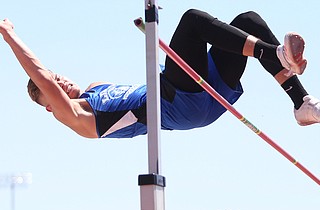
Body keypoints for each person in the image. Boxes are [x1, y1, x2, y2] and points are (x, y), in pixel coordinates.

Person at [1, 9, 319, 139]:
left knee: (247, 21)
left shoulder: (97, 88)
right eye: (53, 86)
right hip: (179, 105)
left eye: (58, 76)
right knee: (192, 21)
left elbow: (47, 76)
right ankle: (271, 53)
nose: (59, 80)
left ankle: (301, 103)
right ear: (49, 106)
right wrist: (9, 35)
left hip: (198, 90)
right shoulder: (78, 116)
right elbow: (40, 75)